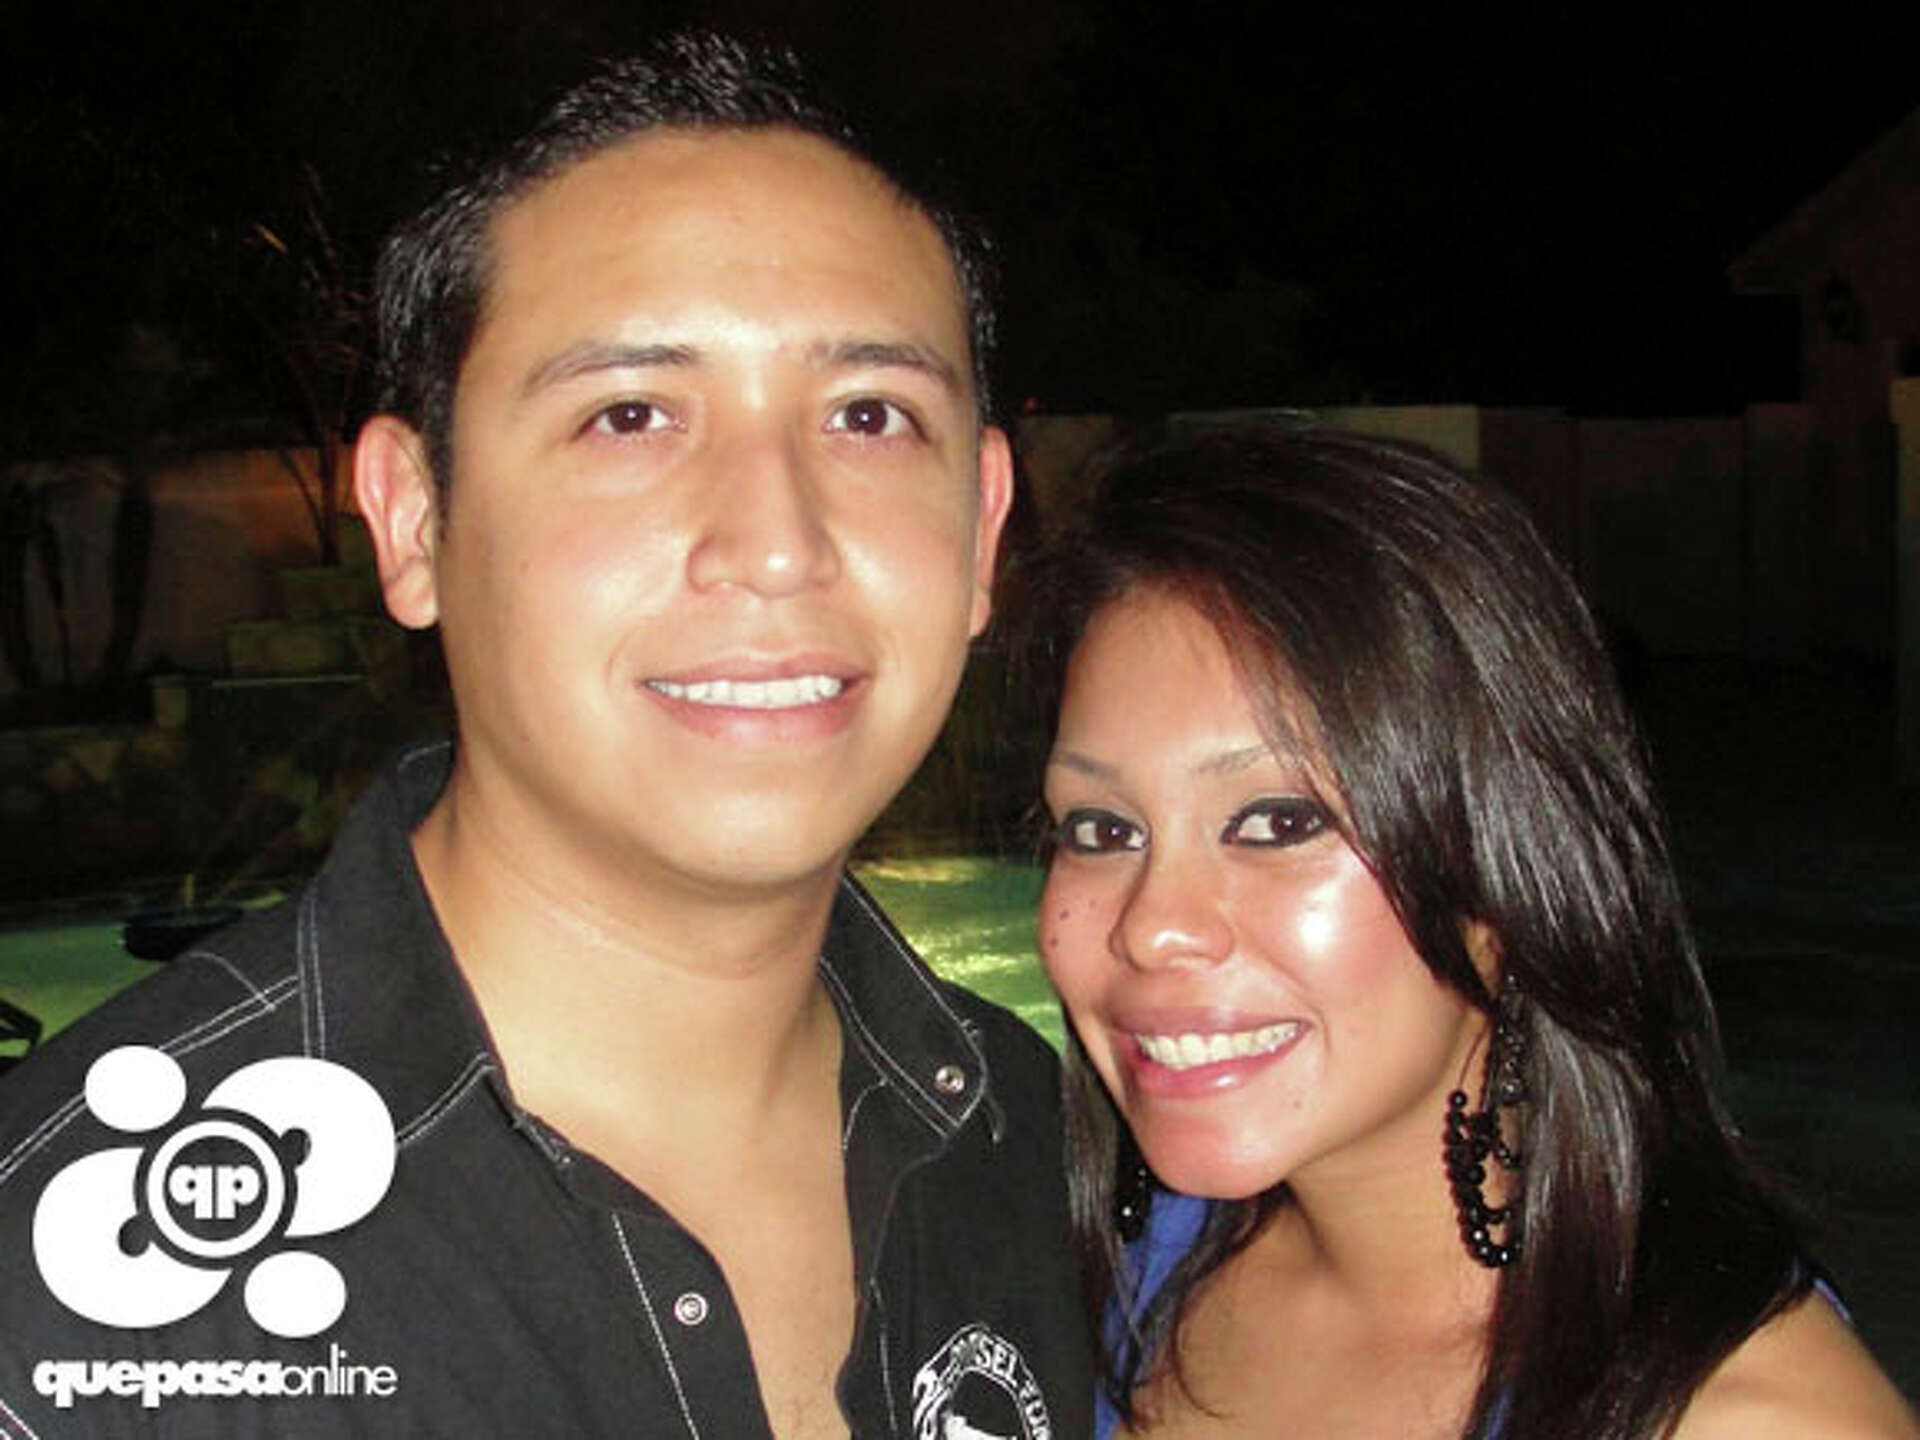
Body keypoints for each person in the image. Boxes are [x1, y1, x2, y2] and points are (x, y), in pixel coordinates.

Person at [0, 33, 1090, 1439]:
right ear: (415, 521)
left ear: (984, 527)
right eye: (629, 416)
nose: (777, 544)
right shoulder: (74, 1294)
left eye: (870, 416)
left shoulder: (1015, 1128)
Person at [1030, 424, 1918, 1438]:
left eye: (1278, 822)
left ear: (1509, 872)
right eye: (1101, 830)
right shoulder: (1112, 1271)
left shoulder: (1746, 1421)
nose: (1152, 929)